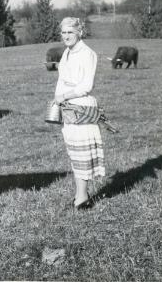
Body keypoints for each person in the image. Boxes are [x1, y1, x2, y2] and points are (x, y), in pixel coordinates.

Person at [54, 17, 105, 210]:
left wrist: (65, 95)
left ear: (79, 32)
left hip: (81, 107)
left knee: (82, 153)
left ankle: (82, 198)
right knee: (74, 152)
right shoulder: (67, 53)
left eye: (70, 32)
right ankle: (79, 195)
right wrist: (57, 99)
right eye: (64, 33)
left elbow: (86, 85)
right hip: (67, 108)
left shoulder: (87, 53)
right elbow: (61, 79)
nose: (66, 36)